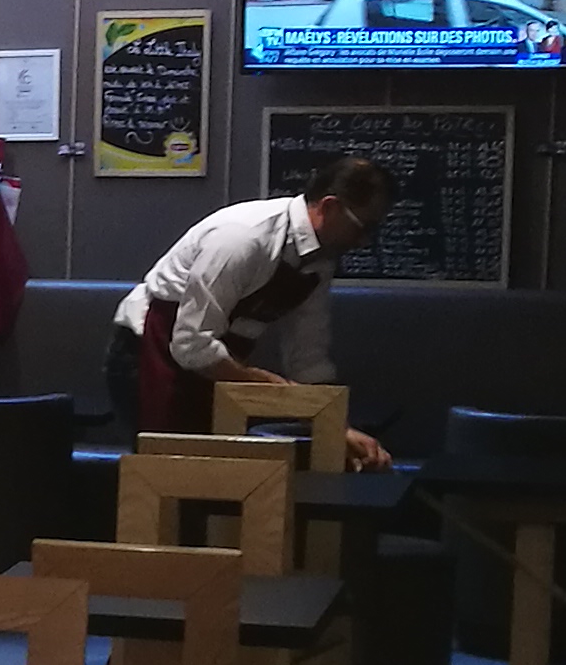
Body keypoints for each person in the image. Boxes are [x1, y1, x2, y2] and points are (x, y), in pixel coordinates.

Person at [108, 157, 398, 468]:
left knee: (213, 476)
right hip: (151, 352)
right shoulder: (243, 238)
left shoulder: (321, 260)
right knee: (167, 472)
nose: (364, 241)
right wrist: (264, 385)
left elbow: (308, 357)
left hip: (214, 362)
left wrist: (337, 428)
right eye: (364, 227)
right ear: (330, 207)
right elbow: (190, 342)